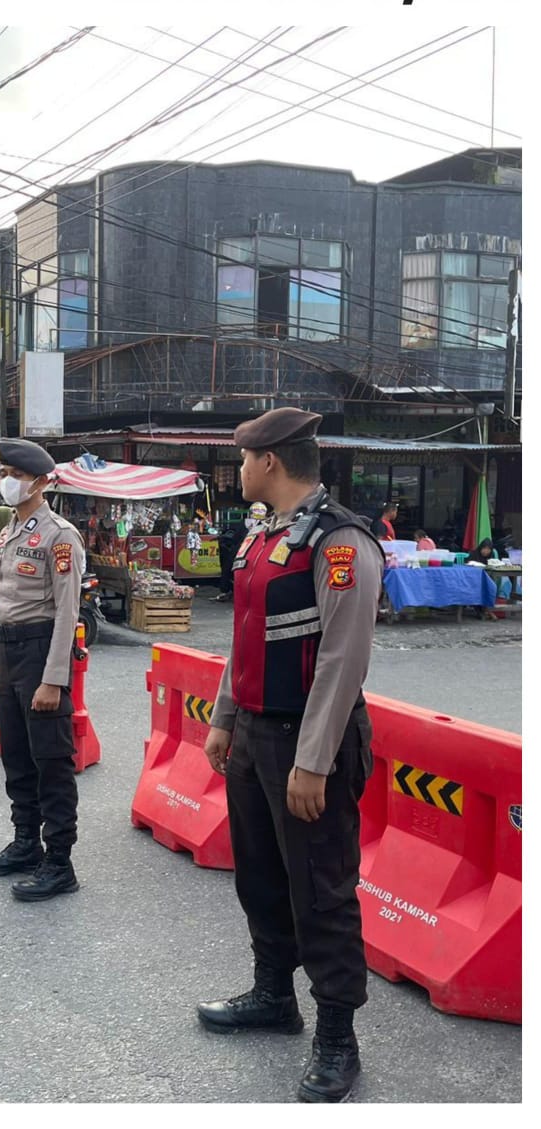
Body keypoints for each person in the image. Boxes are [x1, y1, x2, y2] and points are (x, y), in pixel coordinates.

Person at [197, 407, 384, 1104]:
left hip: (309, 744)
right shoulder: (262, 537)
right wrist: (224, 720)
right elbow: (246, 639)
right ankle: (274, 994)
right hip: (252, 735)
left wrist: (313, 759)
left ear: (269, 460)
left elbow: (342, 659)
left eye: (243, 458)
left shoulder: (339, 542)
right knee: (262, 878)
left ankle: (337, 1036)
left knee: (322, 892)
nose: (238, 469)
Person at [0, 438, 86, 902]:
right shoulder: (8, 533)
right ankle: (25, 843)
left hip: (42, 653)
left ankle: (59, 861)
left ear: (40, 482)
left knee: (51, 762)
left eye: (16, 475)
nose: (8, 482)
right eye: (4, 473)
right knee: (16, 756)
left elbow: (66, 611)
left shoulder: (61, 535)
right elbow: (1, 605)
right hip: (13, 655)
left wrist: (53, 679)